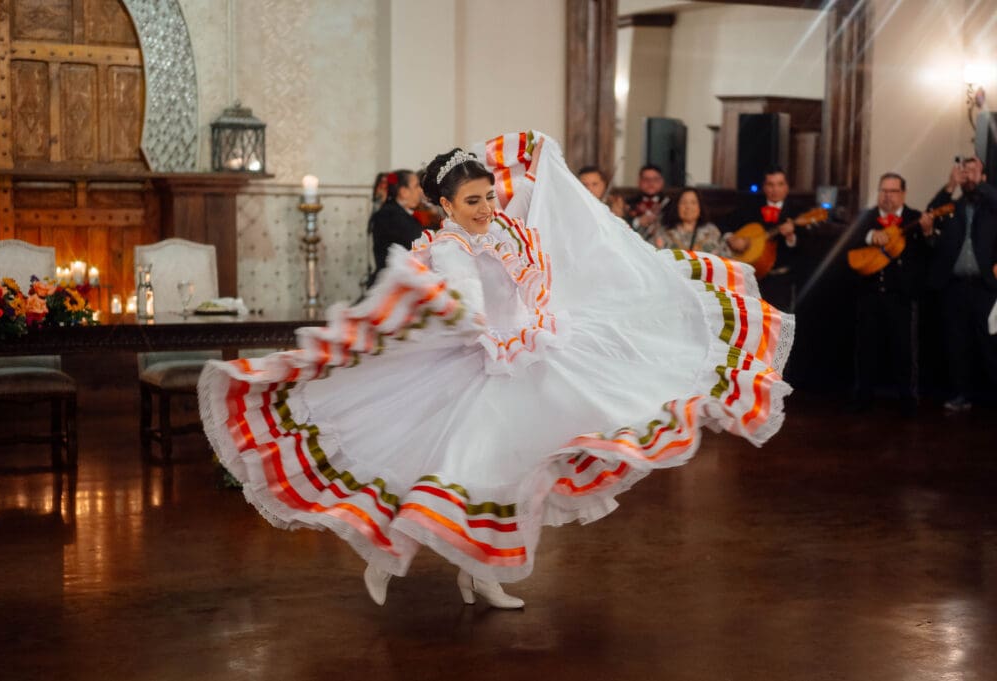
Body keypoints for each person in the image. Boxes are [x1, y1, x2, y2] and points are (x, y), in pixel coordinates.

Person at [198, 131, 793, 611]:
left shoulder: (502, 228)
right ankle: (384, 557)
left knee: (511, 478)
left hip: (530, 356)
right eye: (473, 201)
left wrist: (543, 157)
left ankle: (480, 579)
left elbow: (543, 204)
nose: (486, 208)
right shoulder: (450, 249)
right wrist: (471, 317)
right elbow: (463, 306)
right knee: (439, 471)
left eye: (488, 196)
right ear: (446, 207)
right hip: (478, 366)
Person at [846, 173, 932, 415]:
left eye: (893, 191)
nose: (887, 196)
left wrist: (927, 233)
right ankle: (863, 397)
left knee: (904, 351)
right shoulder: (867, 217)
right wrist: (869, 235)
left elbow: (930, 253)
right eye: (883, 190)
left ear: (903, 193)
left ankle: (908, 400)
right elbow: (848, 239)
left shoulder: (915, 218)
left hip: (901, 295)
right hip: (869, 294)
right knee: (866, 349)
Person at [921, 157, 997, 411]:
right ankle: (960, 395)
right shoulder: (953, 207)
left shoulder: (991, 208)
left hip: (985, 287)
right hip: (954, 287)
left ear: (984, 177)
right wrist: (949, 185)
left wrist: (980, 183)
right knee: (956, 343)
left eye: (974, 171)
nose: (968, 175)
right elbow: (930, 214)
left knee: (989, 343)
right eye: (965, 171)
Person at [725, 167, 802, 312]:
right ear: (764, 187)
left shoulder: (796, 212)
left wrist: (791, 237)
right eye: (770, 184)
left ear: (787, 187)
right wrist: (731, 239)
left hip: (781, 282)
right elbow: (725, 223)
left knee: (779, 328)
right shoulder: (750, 207)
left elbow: (804, 248)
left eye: (780, 184)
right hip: (750, 280)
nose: (775, 189)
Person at [366, 170, 424, 287]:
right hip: (391, 284)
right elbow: (414, 244)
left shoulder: (401, 213)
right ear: (403, 192)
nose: (421, 191)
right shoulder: (390, 216)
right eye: (417, 186)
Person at [653, 187, 727, 255]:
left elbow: (725, 257)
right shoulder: (664, 231)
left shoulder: (711, 231)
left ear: (700, 207)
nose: (688, 207)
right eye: (683, 202)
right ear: (677, 206)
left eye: (693, 202)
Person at [625, 164, 667, 241]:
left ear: (662, 182)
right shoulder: (629, 202)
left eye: (655, 179)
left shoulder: (669, 203)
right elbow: (621, 224)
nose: (651, 183)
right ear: (639, 182)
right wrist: (638, 221)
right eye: (646, 179)